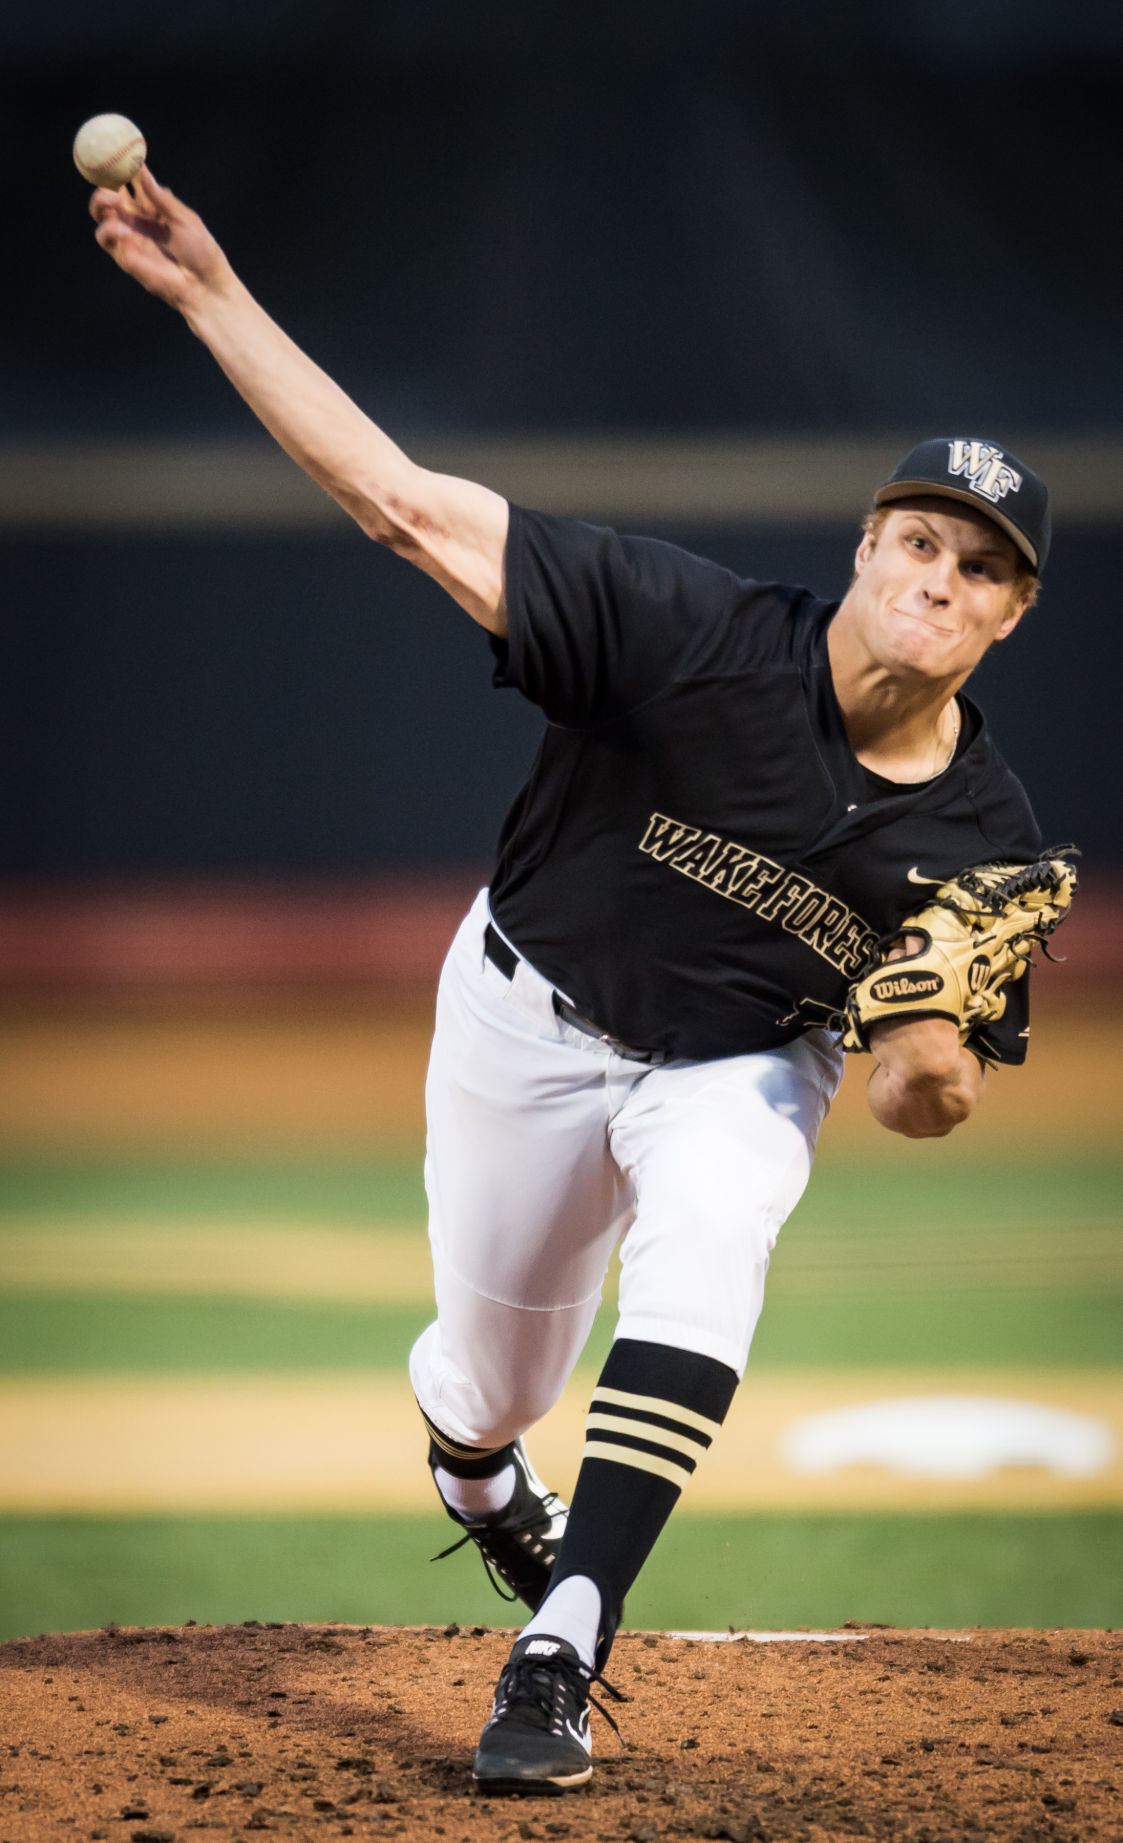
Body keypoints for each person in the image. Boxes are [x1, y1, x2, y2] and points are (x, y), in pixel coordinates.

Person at [91, 169, 1050, 1795]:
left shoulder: (993, 842)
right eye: (916, 539)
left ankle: (563, 1648)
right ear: (866, 548)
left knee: (719, 1228)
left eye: (979, 565)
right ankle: (476, 1472)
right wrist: (209, 300)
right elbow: (400, 500)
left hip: (738, 1067)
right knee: (494, 1379)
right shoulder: (686, 629)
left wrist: (921, 1051)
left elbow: (924, 1090)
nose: (939, 576)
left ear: (1010, 614)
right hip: (522, 1013)